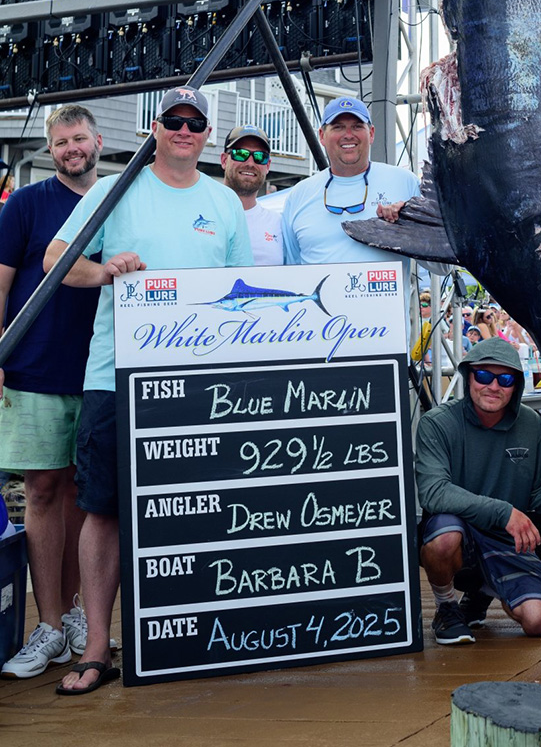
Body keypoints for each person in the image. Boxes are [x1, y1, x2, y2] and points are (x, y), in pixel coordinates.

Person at [44, 87, 253, 695]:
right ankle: (96, 647)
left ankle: (191, 637)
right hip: (116, 377)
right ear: (154, 128)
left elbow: (243, 290)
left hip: (203, 382)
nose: (184, 130)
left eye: (195, 123)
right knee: (104, 509)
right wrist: (104, 269)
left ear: (208, 135)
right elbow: (59, 263)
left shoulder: (224, 202)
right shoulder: (116, 190)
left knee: (199, 510)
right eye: (173, 120)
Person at [0, 106, 103, 679]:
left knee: (81, 498)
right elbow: (2, 280)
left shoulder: (116, 196)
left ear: (98, 140)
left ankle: (78, 616)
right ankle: (49, 627)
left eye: (79, 138)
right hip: (34, 370)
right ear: (52, 148)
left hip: (100, 372)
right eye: (61, 141)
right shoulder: (25, 203)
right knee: (40, 490)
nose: (71, 149)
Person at [415, 336, 541, 644]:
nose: (493, 386)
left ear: (516, 385)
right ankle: (446, 607)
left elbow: (539, 494)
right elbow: (433, 493)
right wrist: (504, 512)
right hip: (460, 534)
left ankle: (482, 590)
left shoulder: (533, 426)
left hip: (507, 542)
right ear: (469, 376)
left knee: (539, 621)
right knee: (443, 536)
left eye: (505, 378)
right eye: (483, 375)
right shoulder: (436, 423)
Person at [281, 97, 419, 274]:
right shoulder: (299, 194)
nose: (348, 134)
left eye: (357, 126)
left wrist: (410, 223)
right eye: (338, 127)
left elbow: (442, 267)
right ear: (322, 136)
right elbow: (291, 271)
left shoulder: (405, 182)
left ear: (371, 133)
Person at [220, 123, 282, 265]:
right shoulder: (204, 211)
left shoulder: (278, 223)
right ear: (224, 160)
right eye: (241, 154)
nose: (250, 163)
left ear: (267, 166)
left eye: (260, 157)